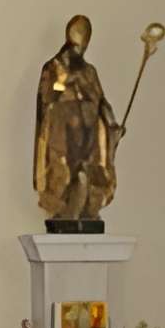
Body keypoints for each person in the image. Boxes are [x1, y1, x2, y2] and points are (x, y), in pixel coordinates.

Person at [31, 14, 119, 224]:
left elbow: (101, 101)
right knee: (63, 172)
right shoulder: (54, 67)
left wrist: (112, 124)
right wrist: (66, 81)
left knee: (89, 170)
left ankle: (88, 204)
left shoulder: (90, 72)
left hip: (89, 132)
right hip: (63, 131)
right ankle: (65, 205)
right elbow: (49, 95)